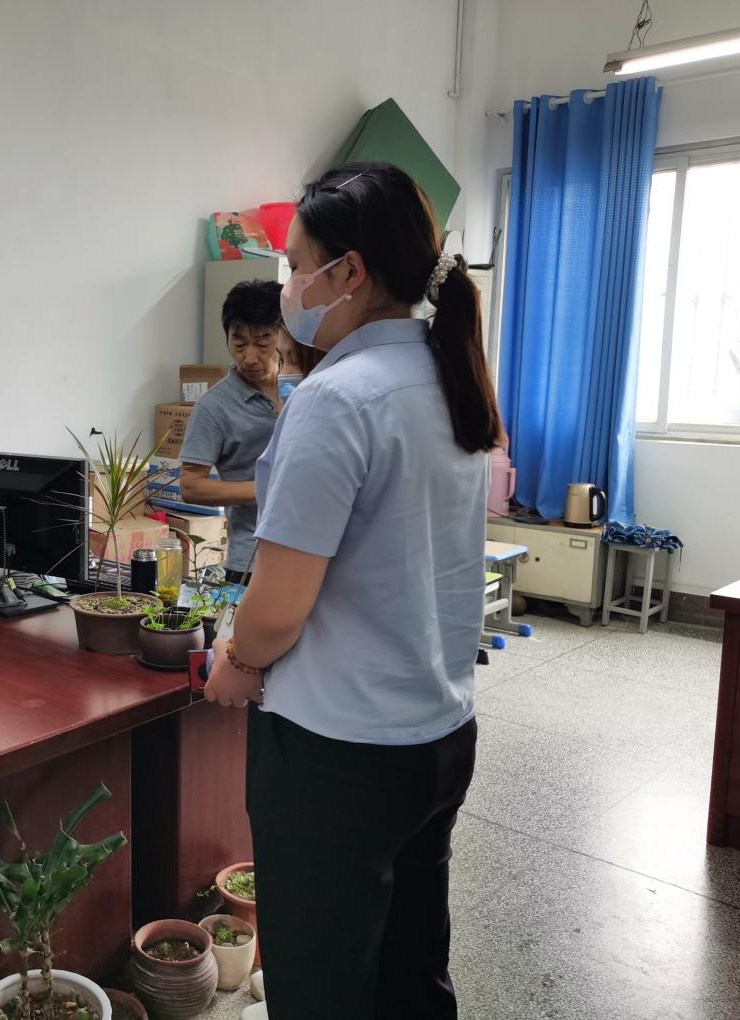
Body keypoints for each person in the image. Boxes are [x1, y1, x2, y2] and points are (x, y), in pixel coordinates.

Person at [204, 162, 502, 1019]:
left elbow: (277, 608)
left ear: (351, 272)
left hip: (339, 756)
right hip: (438, 731)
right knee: (411, 970)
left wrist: (235, 662)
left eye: (298, 265)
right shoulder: (449, 377)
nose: (287, 287)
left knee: (322, 985)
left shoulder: (336, 399)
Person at [178, 280, 285, 583]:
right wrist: (268, 488)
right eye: (239, 344)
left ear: (285, 335)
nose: (250, 357)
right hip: (251, 561)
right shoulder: (213, 407)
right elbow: (191, 486)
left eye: (263, 343)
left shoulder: (310, 385)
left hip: (315, 551)